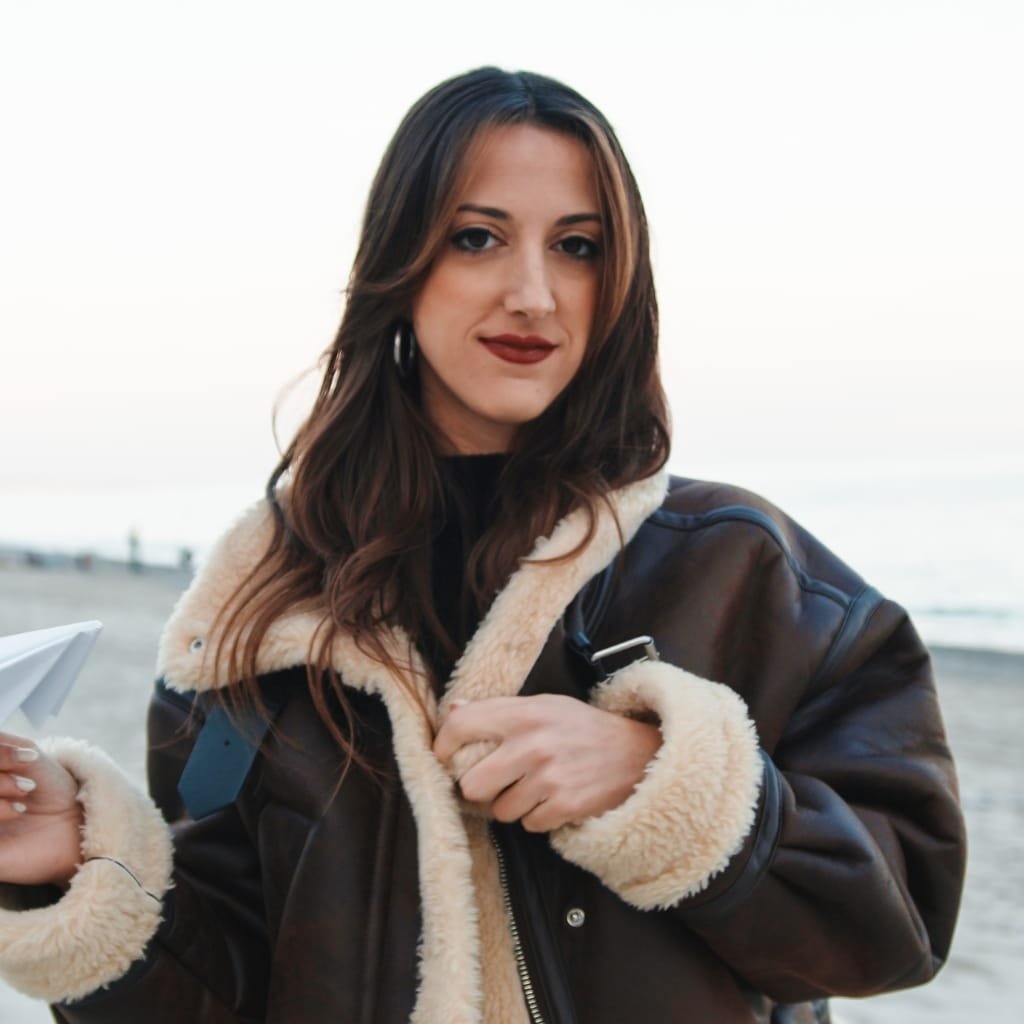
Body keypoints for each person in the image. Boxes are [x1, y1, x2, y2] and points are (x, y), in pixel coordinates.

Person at [0, 67, 965, 1024]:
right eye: (477, 238)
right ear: (402, 262)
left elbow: (901, 921)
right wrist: (76, 871)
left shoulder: (743, 570)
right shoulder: (256, 613)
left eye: (579, 246)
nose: (535, 294)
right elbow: (232, 991)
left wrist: (662, 783)